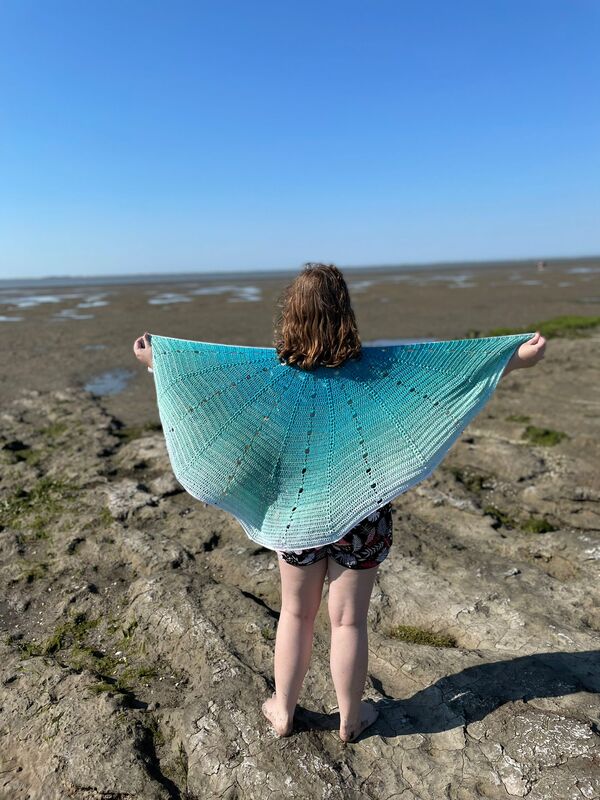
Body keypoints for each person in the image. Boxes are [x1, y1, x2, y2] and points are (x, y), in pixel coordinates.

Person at [133, 262, 546, 743]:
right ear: (344, 314)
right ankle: (351, 718)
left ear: (291, 315)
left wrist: (155, 361)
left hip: (296, 517)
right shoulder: (379, 370)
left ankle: (283, 711)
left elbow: (201, 378)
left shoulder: (265, 371)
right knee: (349, 620)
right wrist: (516, 358)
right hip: (363, 516)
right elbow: (450, 370)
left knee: (295, 614)